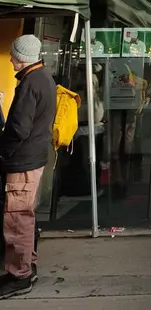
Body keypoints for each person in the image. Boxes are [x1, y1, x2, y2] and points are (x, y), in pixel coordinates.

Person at [0, 36, 56, 297]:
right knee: (25, 216)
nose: (10, 59)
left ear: (21, 57)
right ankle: (27, 266)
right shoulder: (44, 77)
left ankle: (18, 275)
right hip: (34, 158)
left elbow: (17, 129)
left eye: (12, 56)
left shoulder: (29, 83)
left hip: (23, 161)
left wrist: (3, 152)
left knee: (16, 220)